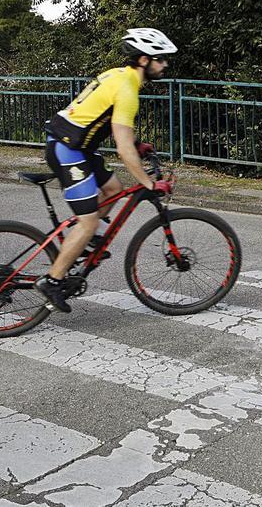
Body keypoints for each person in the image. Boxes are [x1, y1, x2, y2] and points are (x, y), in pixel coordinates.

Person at [34, 28, 176, 313]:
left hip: (79, 146)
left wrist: (137, 145)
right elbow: (122, 150)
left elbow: (102, 118)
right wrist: (148, 183)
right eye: (161, 59)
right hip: (67, 149)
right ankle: (52, 280)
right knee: (87, 221)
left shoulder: (118, 75)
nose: (165, 65)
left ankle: (83, 242)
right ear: (144, 60)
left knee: (113, 190)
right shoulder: (127, 90)